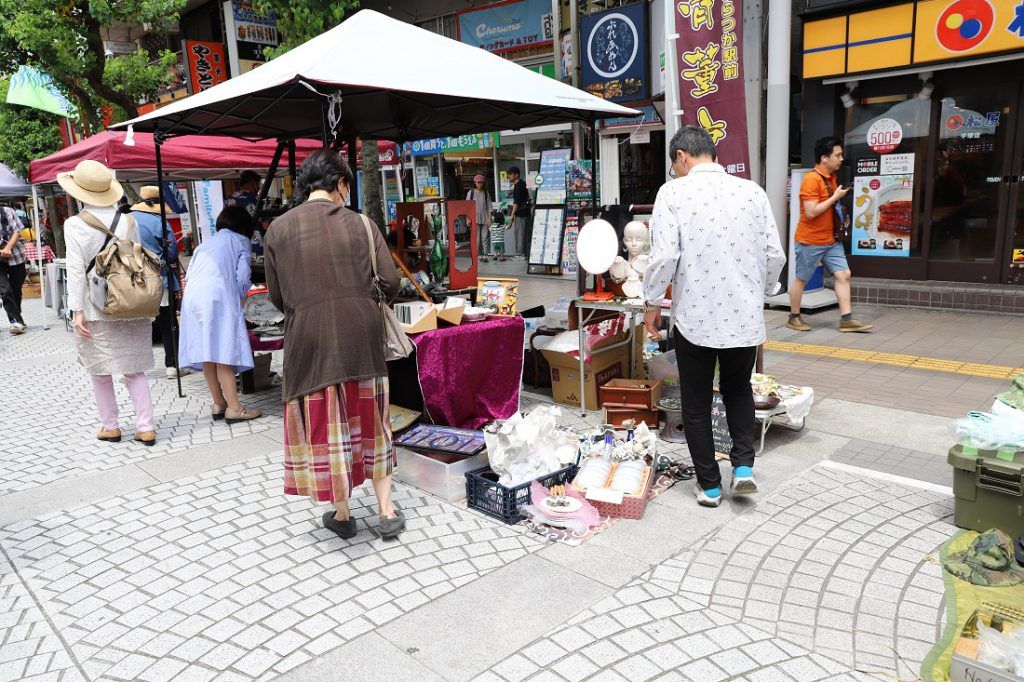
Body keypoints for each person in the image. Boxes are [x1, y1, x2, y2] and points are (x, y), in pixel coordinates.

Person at [265, 149, 405, 541]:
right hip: (360, 338)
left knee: (331, 425)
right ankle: (387, 511)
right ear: (341, 184)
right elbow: (391, 282)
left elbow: (277, 296)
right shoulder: (361, 224)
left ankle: (342, 514)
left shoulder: (278, 229)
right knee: (375, 423)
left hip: (307, 340)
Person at [642, 126, 786, 508]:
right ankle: (742, 469)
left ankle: (708, 486)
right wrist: (765, 292)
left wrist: (651, 302)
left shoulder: (673, 192)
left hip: (696, 316)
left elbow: (664, 256)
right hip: (744, 317)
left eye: (675, 165)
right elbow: (774, 254)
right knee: (739, 390)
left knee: (696, 400)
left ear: (682, 158)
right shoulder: (752, 192)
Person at [60, 160, 158, 445]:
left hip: (96, 305)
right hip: (131, 301)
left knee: (99, 370)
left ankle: (111, 426)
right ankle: (146, 427)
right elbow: (137, 260)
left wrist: (76, 310)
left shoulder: (75, 224)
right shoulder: (129, 220)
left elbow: (77, 270)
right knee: (134, 369)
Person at [178, 206, 261, 423]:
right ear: (244, 226)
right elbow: (243, 276)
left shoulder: (204, 244)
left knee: (208, 350)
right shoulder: (240, 241)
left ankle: (219, 402)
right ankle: (235, 408)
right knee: (224, 349)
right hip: (217, 296)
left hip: (193, 298)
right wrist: (241, 298)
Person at [788, 137, 873, 333]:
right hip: (810, 240)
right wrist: (835, 197)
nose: (841, 159)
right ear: (824, 158)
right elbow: (810, 212)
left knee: (844, 274)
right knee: (802, 279)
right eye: (838, 155)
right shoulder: (811, 180)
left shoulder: (831, 177)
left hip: (831, 239)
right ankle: (794, 317)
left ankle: (846, 320)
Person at [130, 186, 190, 379]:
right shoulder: (159, 221)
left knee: (137, 324)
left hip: (133, 279)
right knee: (168, 322)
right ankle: (172, 365)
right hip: (159, 277)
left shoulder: (126, 221)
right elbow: (172, 253)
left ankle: (132, 367)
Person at [0, 202, 27, 335]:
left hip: (16, 256)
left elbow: (17, 231)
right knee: (5, 291)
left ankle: (18, 319)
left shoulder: (7, 211)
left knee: (16, 290)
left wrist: (8, 248)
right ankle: (16, 321)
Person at [466, 174, 492, 262]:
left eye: (481, 182)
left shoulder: (485, 193)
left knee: (485, 238)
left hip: (484, 218)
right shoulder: (471, 193)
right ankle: (477, 255)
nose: (480, 184)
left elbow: (489, 206)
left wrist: (489, 218)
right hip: (474, 218)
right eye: (478, 182)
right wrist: (467, 218)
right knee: (476, 238)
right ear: (475, 183)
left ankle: (485, 254)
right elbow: (467, 207)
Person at [507, 166, 530, 257]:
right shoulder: (521, 184)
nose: (509, 176)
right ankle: (522, 252)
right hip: (524, 212)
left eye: (511, 174)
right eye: (509, 174)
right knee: (522, 233)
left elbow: (516, 203)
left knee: (519, 233)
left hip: (521, 213)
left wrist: (512, 215)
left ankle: (520, 254)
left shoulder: (519, 185)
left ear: (517, 175)